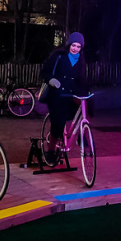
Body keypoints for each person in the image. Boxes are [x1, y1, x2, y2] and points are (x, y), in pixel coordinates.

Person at [40, 32, 87, 163]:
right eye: (73, 45)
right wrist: (51, 80)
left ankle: (81, 134)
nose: (75, 49)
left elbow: (81, 80)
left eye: (78, 46)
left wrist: (85, 92)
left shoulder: (81, 61)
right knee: (58, 122)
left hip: (70, 94)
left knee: (83, 109)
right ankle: (50, 150)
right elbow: (44, 72)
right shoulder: (58, 56)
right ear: (69, 45)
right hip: (56, 94)